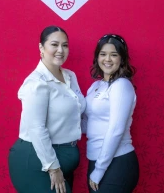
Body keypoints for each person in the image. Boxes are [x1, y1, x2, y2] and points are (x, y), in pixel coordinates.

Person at [8, 26, 86, 193]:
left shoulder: (70, 76)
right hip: (37, 160)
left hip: (64, 159)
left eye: (65, 45)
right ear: (41, 48)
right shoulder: (37, 83)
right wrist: (54, 168)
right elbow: (36, 128)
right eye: (54, 44)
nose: (60, 50)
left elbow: (76, 113)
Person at [82, 34, 139, 193]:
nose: (107, 59)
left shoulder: (121, 85)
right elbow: (89, 124)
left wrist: (99, 169)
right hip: (97, 159)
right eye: (103, 54)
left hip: (117, 161)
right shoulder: (95, 87)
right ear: (97, 57)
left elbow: (116, 130)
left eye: (114, 55)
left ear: (122, 59)